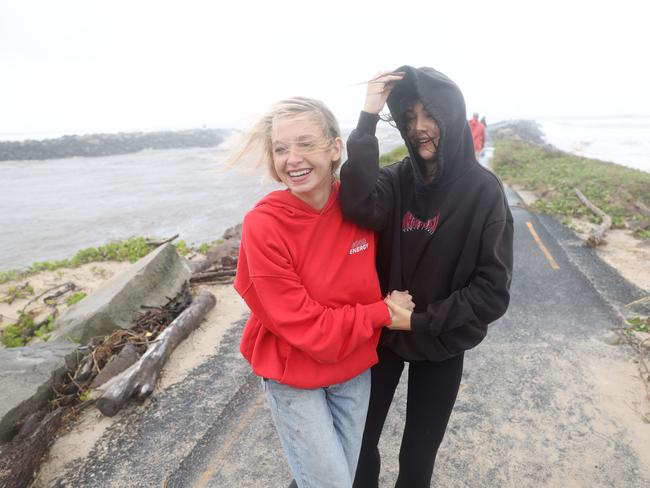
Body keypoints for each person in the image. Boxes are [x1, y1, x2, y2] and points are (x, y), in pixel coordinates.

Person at [339, 67, 513, 487]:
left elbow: (492, 292)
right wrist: (368, 116)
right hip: (384, 336)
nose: (419, 128)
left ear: (452, 115)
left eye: (430, 114)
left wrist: (419, 320)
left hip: (442, 340)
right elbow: (356, 202)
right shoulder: (397, 180)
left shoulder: (483, 192)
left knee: (417, 455)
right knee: (358, 444)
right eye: (409, 116)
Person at [231, 97, 413, 488]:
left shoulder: (359, 208)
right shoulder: (263, 225)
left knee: (344, 478)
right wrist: (382, 312)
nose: (292, 159)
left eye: (306, 143)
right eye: (281, 149)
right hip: (294, 376)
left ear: (335, 148)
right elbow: (305, 325)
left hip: (353, 370)